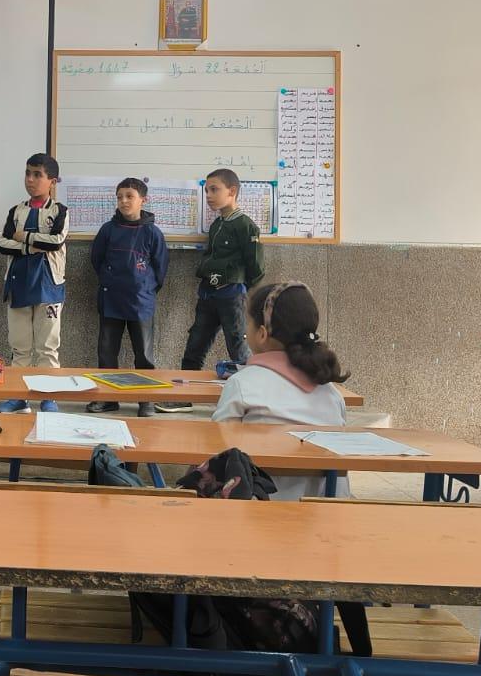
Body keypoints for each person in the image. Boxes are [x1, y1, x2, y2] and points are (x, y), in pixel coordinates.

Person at [211, 282, 350, 500]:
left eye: (249, 322)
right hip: (325, 510)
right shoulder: (331, 394)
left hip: (258, 512)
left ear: (262, 333)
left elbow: (217, 450)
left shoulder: (242, 385)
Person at [161, 167, 265, 413]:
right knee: (194, 346)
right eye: (206, 190)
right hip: (208, 294)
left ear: (232, 191)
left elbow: (256, 267)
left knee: (238, 349)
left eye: (214, 190)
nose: (208, 195)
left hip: (232, 296)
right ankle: (183, 398)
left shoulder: (246, 226)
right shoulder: (217, 224)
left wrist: (246, 293)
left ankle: (250, 401)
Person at [85, 178, 168, 417]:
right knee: (107, 352)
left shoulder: (152, 233)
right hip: (111, 299)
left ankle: (146, 401)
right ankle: (108, 399)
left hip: (141, 302)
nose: (123, 201)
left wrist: (145, 288)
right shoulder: (108, 230)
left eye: (129, 196)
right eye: (120, 196)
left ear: (143, 200)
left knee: (144, 355)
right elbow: (97, 260)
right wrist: (109, 280)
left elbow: (160, 269)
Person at [0, 153, 69, 414]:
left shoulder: (60, 211)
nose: (30, 179)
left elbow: (55, 241)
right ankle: (19, 397)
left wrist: (22, 237)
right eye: (28, 173)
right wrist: (31, 246)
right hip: (19, 285)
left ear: (52, 181)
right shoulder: (16, 211)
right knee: (20, 347)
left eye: (38, 175)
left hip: (49, 285)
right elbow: (3, 243)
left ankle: (49, 398)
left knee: (47, 347)